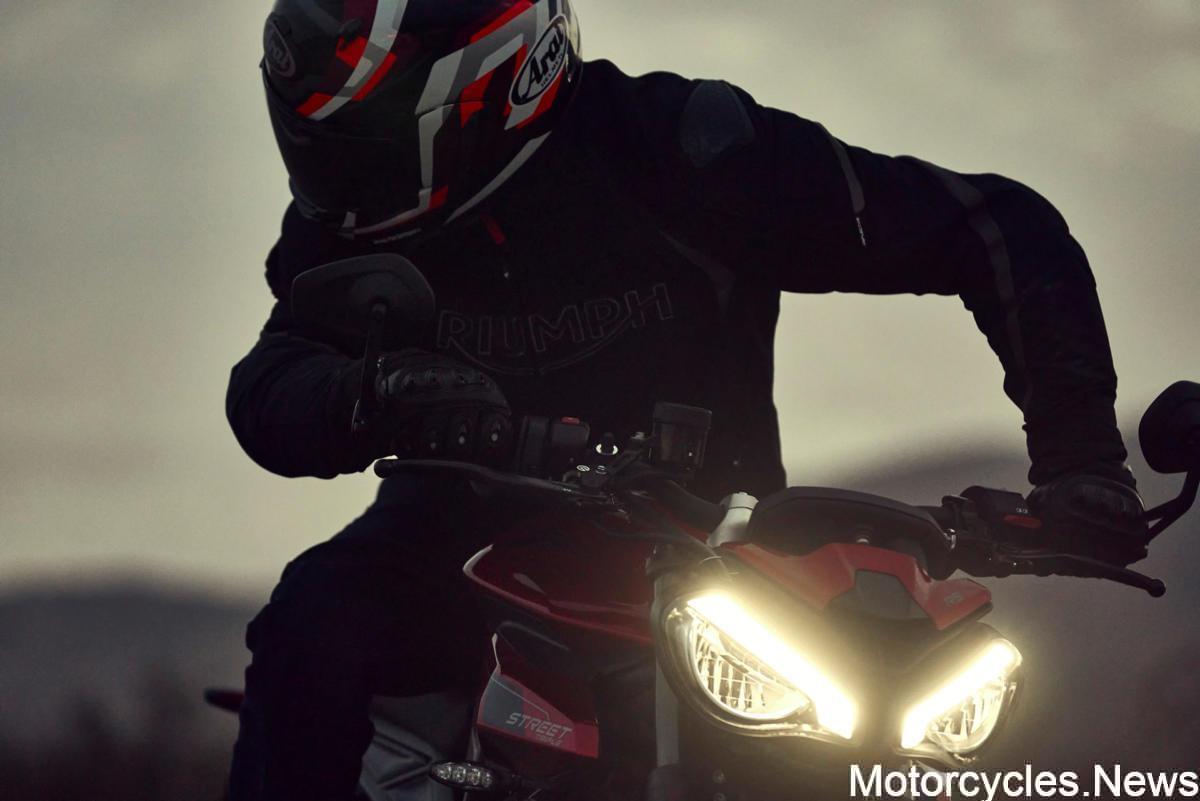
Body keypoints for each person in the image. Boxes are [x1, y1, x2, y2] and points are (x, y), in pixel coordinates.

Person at [227, 1, 1144, 798]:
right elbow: (271, 380)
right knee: (312, 625)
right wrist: (370, 393)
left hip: (711, 548)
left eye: (372, 129)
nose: (343, 168)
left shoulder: (692, 152)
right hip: (456, 532)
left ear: (498, 79)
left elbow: (994, 226)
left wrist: (1083, 465)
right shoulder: (349, 217)